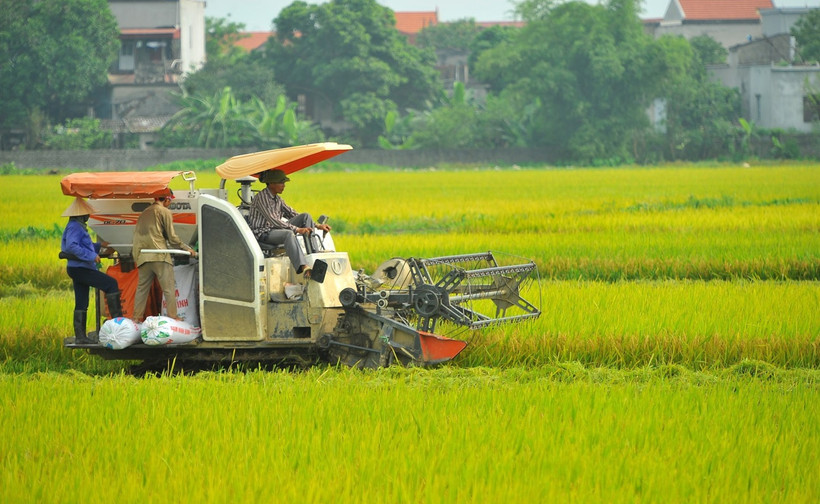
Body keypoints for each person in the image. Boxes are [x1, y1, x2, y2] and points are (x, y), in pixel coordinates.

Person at [247, 169, 331, 279]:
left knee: (306, 216)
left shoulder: (277, 199)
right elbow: (274, 220)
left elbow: (292, 213)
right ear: (271, 184)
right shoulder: (262, 198)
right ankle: (303, 267)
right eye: (281, 183)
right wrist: (297, 229)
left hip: (275, 229)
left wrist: (317, 226)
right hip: (263, 233)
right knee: (288, 234)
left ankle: (314, 253)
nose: (284, 186)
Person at [60, 197, 122, 343]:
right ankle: (119, 327)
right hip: (81, 268)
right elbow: (72, 246)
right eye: (86, 213)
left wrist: (99, 245)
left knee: (82, 302)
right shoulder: (75, 226)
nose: (88, 216)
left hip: (77, 268)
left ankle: (81, 337)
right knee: (111, 284)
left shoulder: (77, 226)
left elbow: (84, 245)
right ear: (81, 214)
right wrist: (91, 256)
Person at [131, 194, 197, 322]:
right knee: (168, 288)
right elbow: (172, 238)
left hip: (143, 256)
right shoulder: (164, 211)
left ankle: (136, 318)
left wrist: (137, 257)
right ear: (167, 200)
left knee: (142, 289)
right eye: (170, 201)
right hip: (159, 255)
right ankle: (173, 316)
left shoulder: (144, 212)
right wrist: (186, 248)